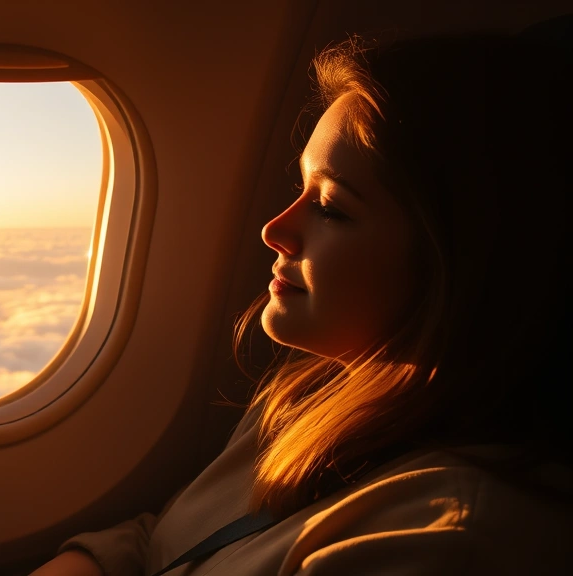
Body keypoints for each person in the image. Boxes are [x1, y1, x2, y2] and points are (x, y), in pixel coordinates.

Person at [29, 24, 572, 576]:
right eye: (301, 189)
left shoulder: (447, 539)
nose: (274, 229)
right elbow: (168, 547)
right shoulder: (312, 397)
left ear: (460, 263)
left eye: (332, 207)